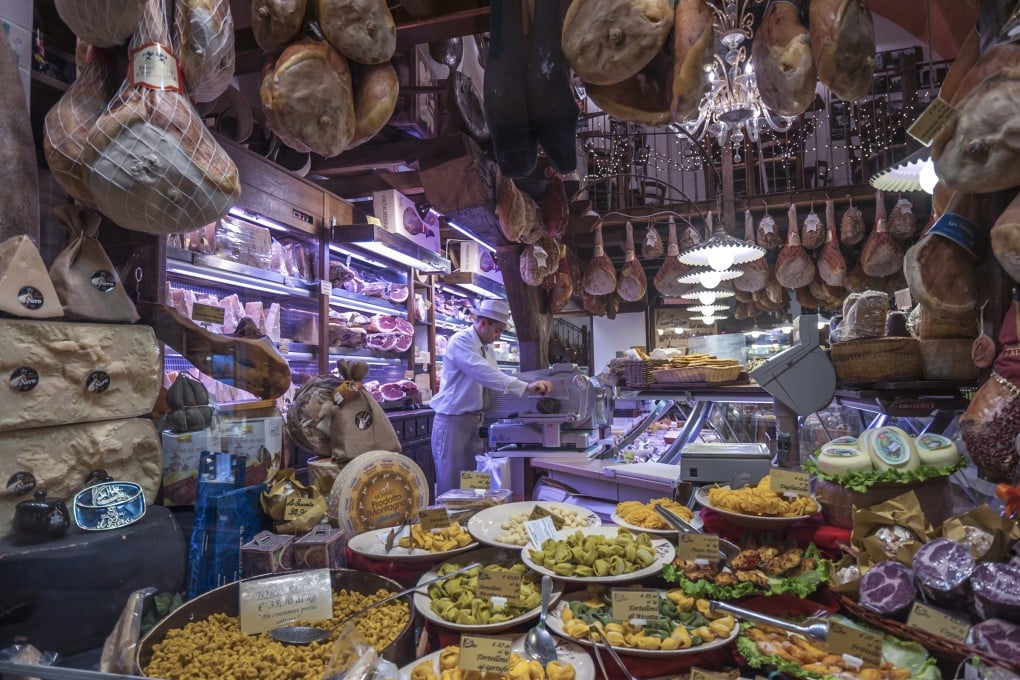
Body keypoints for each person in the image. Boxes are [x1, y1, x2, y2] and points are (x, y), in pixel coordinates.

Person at [429, 299, 552, 494]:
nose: (498, 336)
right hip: (454, 423)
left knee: (475, 485)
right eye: (498, 330)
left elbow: (495, 378)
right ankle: (451, 525)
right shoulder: (461, 341)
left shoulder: (486, 347)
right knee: (452, 485)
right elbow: (483, 372)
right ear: (483, 323)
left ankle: (472, 523)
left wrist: (525, 393)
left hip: (477, 424)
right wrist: (525, 386)